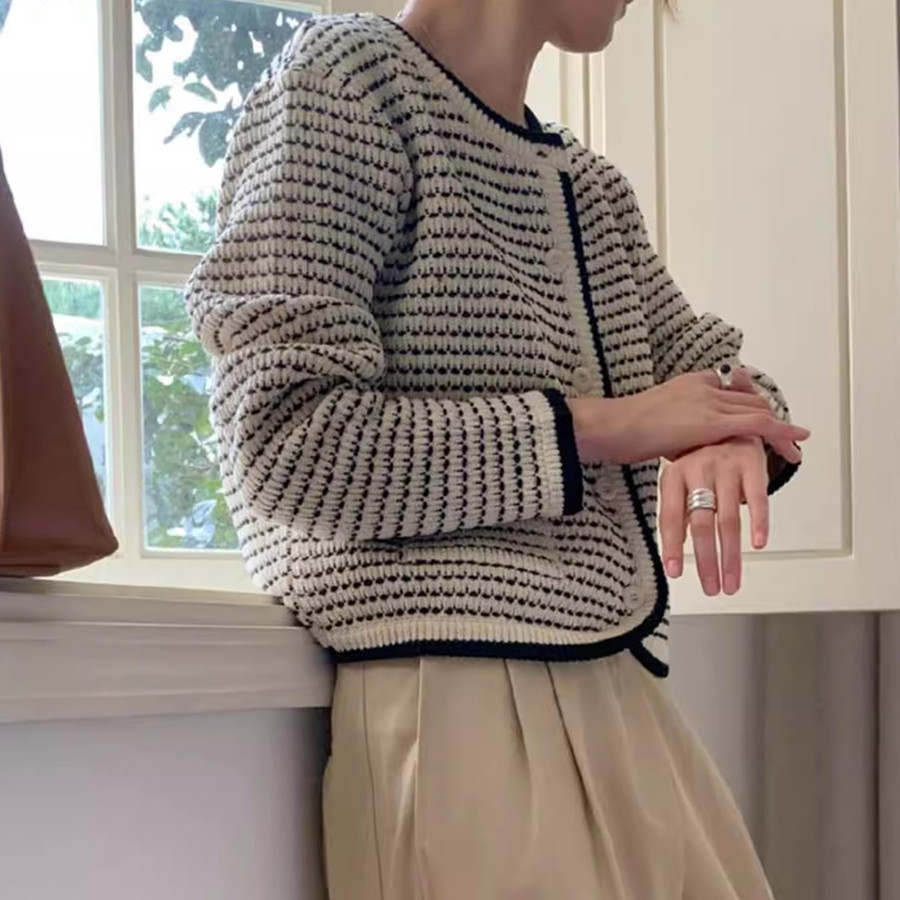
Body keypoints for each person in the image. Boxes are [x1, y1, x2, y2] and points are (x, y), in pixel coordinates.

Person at [186, 1, 810, 897]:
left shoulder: (588, 187)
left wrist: (731, 437)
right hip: (455, 699)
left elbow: (728, 380)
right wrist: (615, 425)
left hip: (619, 689)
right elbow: (289, 442)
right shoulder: (346, 81)